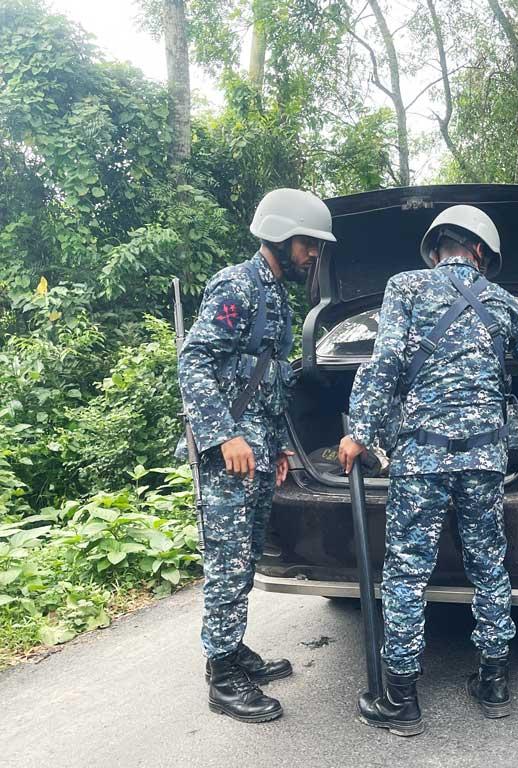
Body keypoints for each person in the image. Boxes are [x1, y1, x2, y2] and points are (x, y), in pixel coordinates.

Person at [337, 205, 518, 736]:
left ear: (435, 247)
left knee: (406, 572)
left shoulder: (407, 287)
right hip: (486, 459)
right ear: (482, 254)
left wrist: (361, 432)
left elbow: (387, 361)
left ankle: (401, 700)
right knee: (488, 563)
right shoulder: (506, 303)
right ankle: (494, 683)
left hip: (420, 458)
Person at [178, 188, 336, 722]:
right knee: (228, 563)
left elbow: (274, 382)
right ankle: (221, 676)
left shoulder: (278, 295)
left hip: (262, 449)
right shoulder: (237, 284)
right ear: (280, 234)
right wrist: (225, 435)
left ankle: (233, 647)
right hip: (230, 455)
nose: (313, 254)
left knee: (245, 559)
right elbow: (194, 362)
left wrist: (284, 443)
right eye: (308, 243)